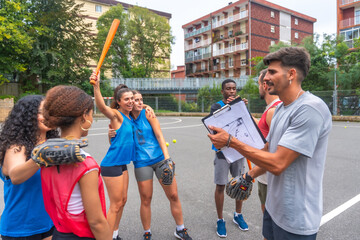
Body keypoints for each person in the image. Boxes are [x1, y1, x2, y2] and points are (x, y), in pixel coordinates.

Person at [208, 47, 332, 240]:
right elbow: (268, 149)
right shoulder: (282, 108)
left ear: (291, 74)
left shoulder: (310, 109)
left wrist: (231, 141)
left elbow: (277, 163)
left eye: (272, 72)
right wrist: (248, 176)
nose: (265, 78)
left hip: (296, 217)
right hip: (274, 209)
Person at [109, 90, 192, 240]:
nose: (140, 102)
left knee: (173, 195)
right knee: (146, 199)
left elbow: (160, 135)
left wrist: (167, 159)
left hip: (160, 159)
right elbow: (116, 142)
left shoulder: (147, 113)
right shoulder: (124, 119)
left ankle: (180, 229)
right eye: (136, 100)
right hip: (141, 163)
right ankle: (147, 232)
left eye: (142, 100)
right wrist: (111, 135)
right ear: (129, 102)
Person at [41, 85, 111, 239]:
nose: (92, 119)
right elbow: (97, 222)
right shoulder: (85, 164)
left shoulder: (46, 155)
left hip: (59, 232)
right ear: (84, 117)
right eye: (91, 114)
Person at [0, 95, 58, 240]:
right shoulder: (16, 146)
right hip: (21, 228)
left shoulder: (52, 143)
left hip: (50, 222)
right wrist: (40, 157)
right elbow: (15, 176)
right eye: (42, 112)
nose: (48, 116)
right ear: (28, 116)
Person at [90, 72, 135, 240]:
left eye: (132, 98)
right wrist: (97, 86)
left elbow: (117, 141)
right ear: (118, 102)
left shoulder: (130, 117)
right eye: (126, 99)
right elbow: (102, 107)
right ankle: (106, 237)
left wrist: (145, 107)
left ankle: (114, 234)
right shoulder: (117, 115)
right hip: (112, 164)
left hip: (122, 164)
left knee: (122, 200)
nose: (130, 101)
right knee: (115, 205)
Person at [210, 79, 248, 238]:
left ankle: (238, 215)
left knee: (240, 184)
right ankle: (220, 219)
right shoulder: (216, 106)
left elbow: (246, 124)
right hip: (222, 152)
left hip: (237, 149)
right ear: (222, 91)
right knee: (220, 186)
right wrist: (232, 107)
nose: (232, 91)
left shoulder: (240, 104)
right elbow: (217, 125)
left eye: (234, 89)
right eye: (228, 89)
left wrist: (243, 108)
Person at [253, 69, 281, 215]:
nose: (259, 88)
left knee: (269, 218)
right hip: (266, 175)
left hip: (267, 177)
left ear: (264, 85)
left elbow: (272, 147)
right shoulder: (273, 108)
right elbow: (263, 127)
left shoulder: (273, 110)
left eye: (259, 84)